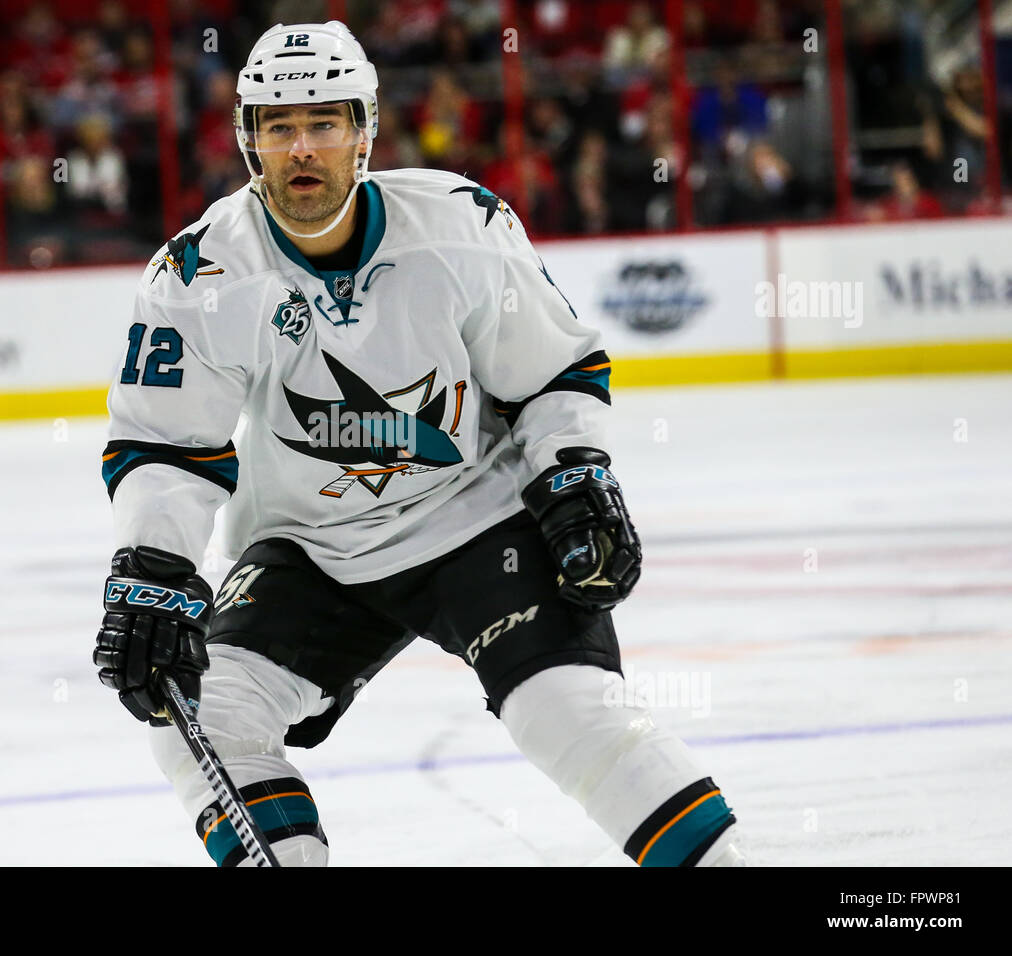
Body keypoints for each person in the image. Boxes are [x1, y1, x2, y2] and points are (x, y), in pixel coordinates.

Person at [94, 21, 746, 867]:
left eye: (323, 123)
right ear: (247, 139)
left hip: (478, 518)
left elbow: (552, 373)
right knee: (199, 714)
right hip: (312, 546)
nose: (301, 148)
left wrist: (573, 469)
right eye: (279, 126)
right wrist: (152, 568)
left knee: (569, 710)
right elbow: (166, 443)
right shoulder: (201, 276)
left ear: (364, 129)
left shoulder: (458, 227)